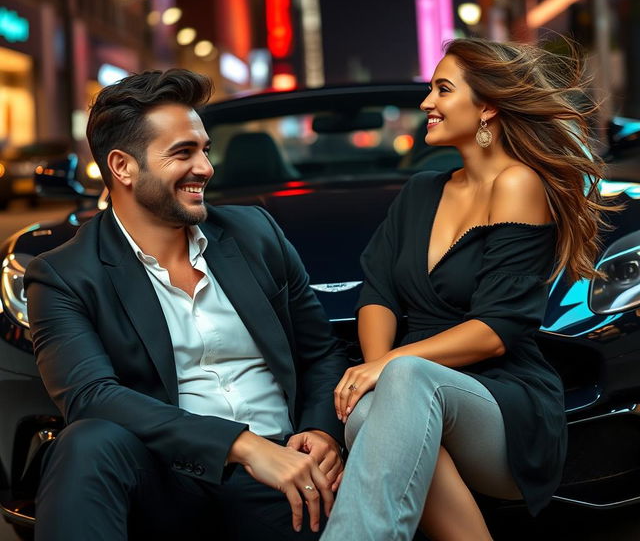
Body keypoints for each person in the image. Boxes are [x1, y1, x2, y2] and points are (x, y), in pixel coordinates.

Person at [24, 69, 347, 541]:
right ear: (123, 167)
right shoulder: (64, 273)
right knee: (86, 442)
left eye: (205, 149)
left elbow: (321, 353)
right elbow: (90, 396)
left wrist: (321, 433)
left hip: (286, 469)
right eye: (183, 152)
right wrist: (240, 445)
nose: (206, 168)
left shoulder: (255, 233)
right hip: (171, 475)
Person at [321, 38, 612, 541]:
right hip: (415, 385)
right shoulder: (419, 192)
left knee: (406, 378)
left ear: (487, 107)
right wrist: (375, 370)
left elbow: (496, 332)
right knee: (375, 406)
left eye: (442, 89)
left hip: (503, 399)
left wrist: (388, 367)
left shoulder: (516, 183)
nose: (426, 104)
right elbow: (378, 294)